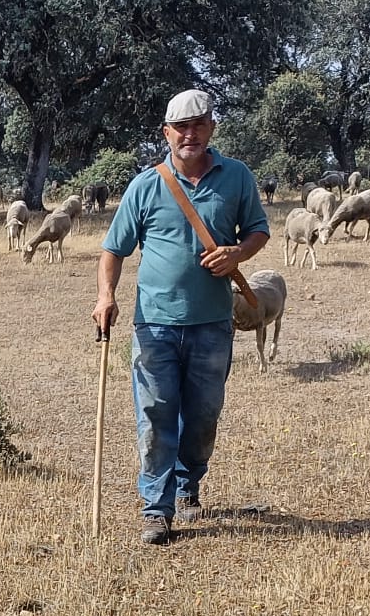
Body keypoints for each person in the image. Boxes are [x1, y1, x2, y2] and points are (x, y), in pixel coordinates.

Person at [93, 90, 271, 545]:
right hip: (154, 324)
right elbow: (114, 248)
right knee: (155, 414)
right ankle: (157, 507)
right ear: (166, 133)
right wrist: (105, 296)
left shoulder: (236, 178)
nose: (189, 133)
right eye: (180, 126)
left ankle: (189, 484)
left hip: (212, 323)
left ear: (211, 126)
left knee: (203, 415)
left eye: (198, 124)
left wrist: (237, 252)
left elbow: (258, 231)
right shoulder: (146, 185)